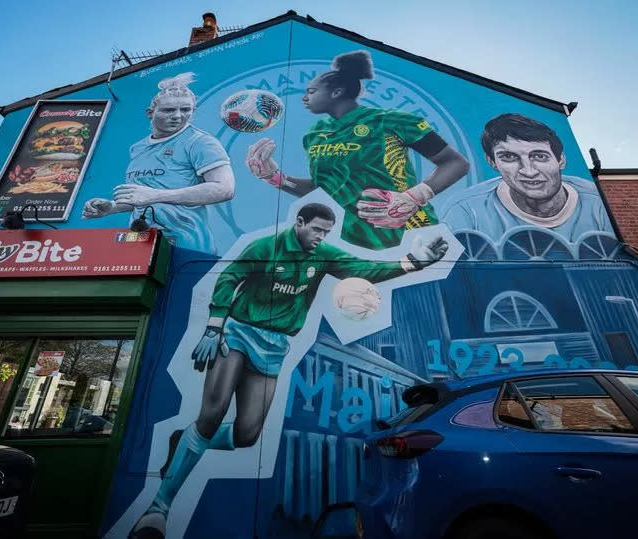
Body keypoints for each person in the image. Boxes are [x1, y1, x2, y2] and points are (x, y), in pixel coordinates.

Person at [130, 202, 449, 537]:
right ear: (299, 222)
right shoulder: (264, 247)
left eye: (327, 232)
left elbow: (362, 268)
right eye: (317, 230)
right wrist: (213, 327)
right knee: (212, 412)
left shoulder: (322, 253)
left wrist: (412, 262)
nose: (321, 237)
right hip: (238, 332)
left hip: (275, 345)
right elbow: (229, 278)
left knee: (247, 434)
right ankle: (158, 510)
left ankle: (187, 441)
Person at [245, 50, 469, 251]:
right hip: (353, 246)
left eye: (311, 91)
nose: (305, 97)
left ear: (337, 92)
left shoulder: (390, 121)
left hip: (412, 236)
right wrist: (275, 178)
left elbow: (455, 163)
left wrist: (413, 197)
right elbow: (324, 188)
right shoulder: (314, 134)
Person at [82, 73, 234, 255]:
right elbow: (142, 197)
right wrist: (112, 207)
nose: (178, 116)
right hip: (140, 244)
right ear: (150, 113)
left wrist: (154, 195)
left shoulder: (200, 142)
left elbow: (224, 188)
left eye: (186, 110)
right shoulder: (137, 148)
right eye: (169, 110)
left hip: (186, 246)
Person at [444, 113, 613, 241]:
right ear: (492, 162)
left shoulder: (596, 203)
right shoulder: (466, 210)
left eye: (539, 156)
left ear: (561, 159)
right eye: (509, 157)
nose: (529, 171)